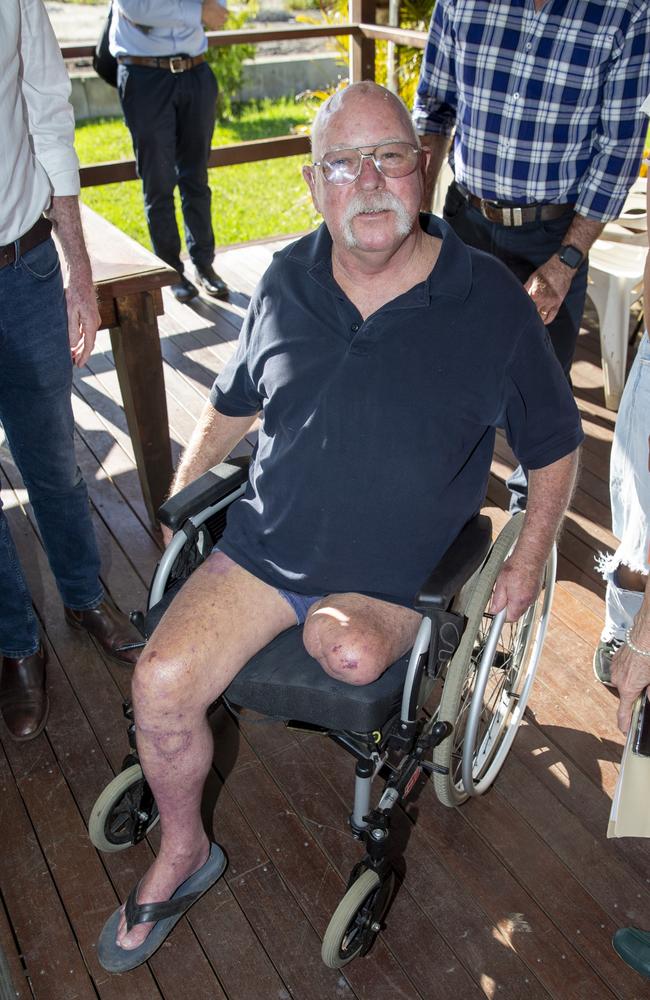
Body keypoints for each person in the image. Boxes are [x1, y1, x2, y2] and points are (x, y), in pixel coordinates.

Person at [96, 82, 583, 973]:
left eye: (390, 156)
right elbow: (231, 406)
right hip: (264, 552)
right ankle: (183, 850)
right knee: (160, 682)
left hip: (389, 579)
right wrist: (184, 504)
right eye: (343, 164)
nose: (370, 181)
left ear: (422, 168)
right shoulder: (285, 279)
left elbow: (555, 445)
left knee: (348, 650)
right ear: (315, 184)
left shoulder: (491, 304)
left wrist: (533, 552)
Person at [412, 0, 650, 510]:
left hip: (553, 238)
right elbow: (434, 108)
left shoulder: (625, 10)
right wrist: (417, 220)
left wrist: (567, 260)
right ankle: (449, 510)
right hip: (464, 219)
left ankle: (527, 528)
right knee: (448, 369)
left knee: (539, 392)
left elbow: (621, 145)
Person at [0, 0, 143, 743]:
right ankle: (16, 646)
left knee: (54, 458)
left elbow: (47, 110)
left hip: (21, 264)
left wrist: (77, 270)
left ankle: (86, 597)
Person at [109, 0, 231, 304]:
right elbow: (137, 9)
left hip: (196, 72)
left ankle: (204, 265)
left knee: (196, 179)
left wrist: (172, 10)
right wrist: (194, 11)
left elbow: (218, 13)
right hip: (144, 76)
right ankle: (171, 271)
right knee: (158, 182)